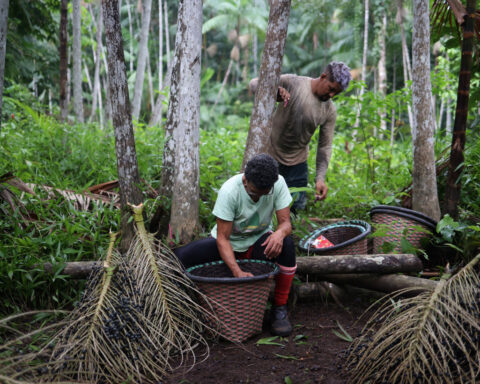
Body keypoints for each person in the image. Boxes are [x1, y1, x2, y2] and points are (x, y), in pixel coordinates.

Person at [174, 154, 297, 337]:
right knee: (179, 258)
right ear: (245, 180)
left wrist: (279, 233)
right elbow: (223, 238)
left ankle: (279, 308)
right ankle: (187, 309)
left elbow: (286, 223)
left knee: (286, 244)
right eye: (254, 193)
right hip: (226, 246)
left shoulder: (278, 183)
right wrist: (237, 272)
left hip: (258, 244)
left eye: (264, 194)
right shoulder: (230, 191)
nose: (257, 198)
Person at [249, 61, 352, 212]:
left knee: (295, 211)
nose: (331, 95)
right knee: (263, 206)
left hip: (298, 164)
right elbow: (254, 84)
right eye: (331, 89)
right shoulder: (294, 83)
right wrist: (274, 91)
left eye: (336, 93)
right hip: (271, 156)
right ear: (323, 77)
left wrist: (320, 179)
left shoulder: (329, 110)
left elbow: (325, 146)